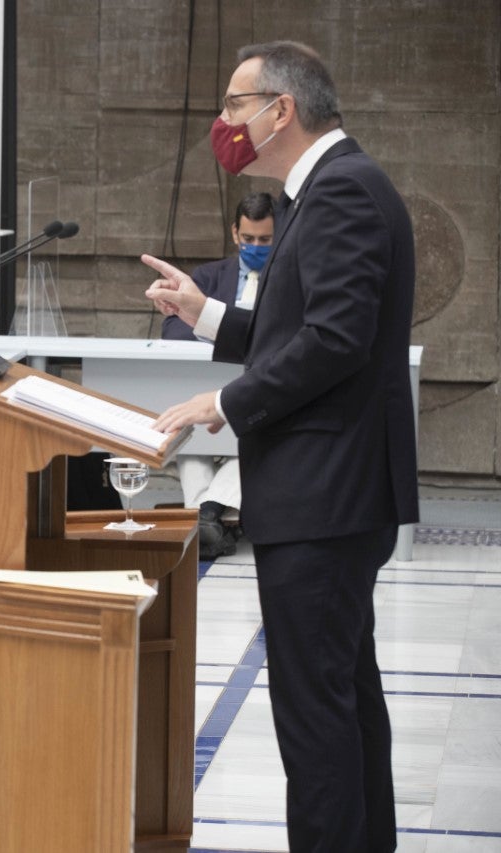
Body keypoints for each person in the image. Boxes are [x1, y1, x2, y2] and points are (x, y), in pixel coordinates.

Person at [143, 41, 417, 852]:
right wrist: (205, 313)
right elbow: (300, 330)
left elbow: (335, 340)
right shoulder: (328, 190)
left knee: (314, 714)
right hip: (331, 493)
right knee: (342, 696)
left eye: (234, 105)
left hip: (324, 495)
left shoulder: (341, 194)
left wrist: (228, 401)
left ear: (280, 110)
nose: (224, 123)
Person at [162, 191, 275, 560]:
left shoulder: (288, 278)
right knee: (188, 435)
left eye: (265, 240)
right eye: (248, 239)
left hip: (258, 392)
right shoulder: (209, 277)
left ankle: (205, 514)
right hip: (203, 381)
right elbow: (174, 329)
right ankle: (213, 517)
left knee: (256, 440)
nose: (255, 247)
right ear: (234, 234)